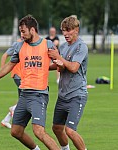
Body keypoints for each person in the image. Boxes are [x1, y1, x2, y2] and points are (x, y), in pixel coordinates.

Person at [0, 15, 60, 150]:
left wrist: (56, 62)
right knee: (16, 131)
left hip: (39, 95)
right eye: (20, 31)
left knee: (38, 131)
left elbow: (60, 64)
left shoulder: (47, 44)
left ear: (32, 30)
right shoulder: (19, 47)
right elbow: (9, 66)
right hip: (24, 95)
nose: (21, 34)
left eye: (23, 31)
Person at [48, 15, 88, 150]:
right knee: (57, 128)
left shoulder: (81, 46)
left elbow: (73, 67)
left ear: (76, 29)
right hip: (63, 95)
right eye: (63, 30)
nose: (65, 33)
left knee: (70, 130)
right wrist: (41, 66)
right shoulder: (64, 47)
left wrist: (58, 57)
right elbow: (60, 65)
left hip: (77, 95)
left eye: (68, 30)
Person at [0, 39, 22, 129]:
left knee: (23, 99)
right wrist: (2, 69)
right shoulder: (17, 44)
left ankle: (5, 120)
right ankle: (13, 108)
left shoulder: (31, 43)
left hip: (24, 75)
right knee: (27, 97)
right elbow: (5, 55)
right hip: (18, 75)